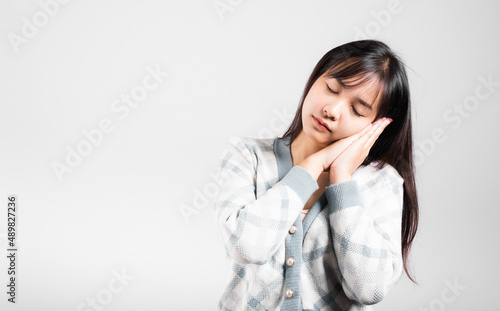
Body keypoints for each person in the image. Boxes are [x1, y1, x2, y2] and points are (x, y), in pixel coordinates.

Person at [212, 39, 419, 311]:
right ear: (314, 79)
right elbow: (246, 247)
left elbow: (370, 288)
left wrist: (342, 177)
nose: (331, 111)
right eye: (332, 88)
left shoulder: (382, 183)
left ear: (377, 125)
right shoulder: (247, 156)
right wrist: (314, 164)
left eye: (357, 110)